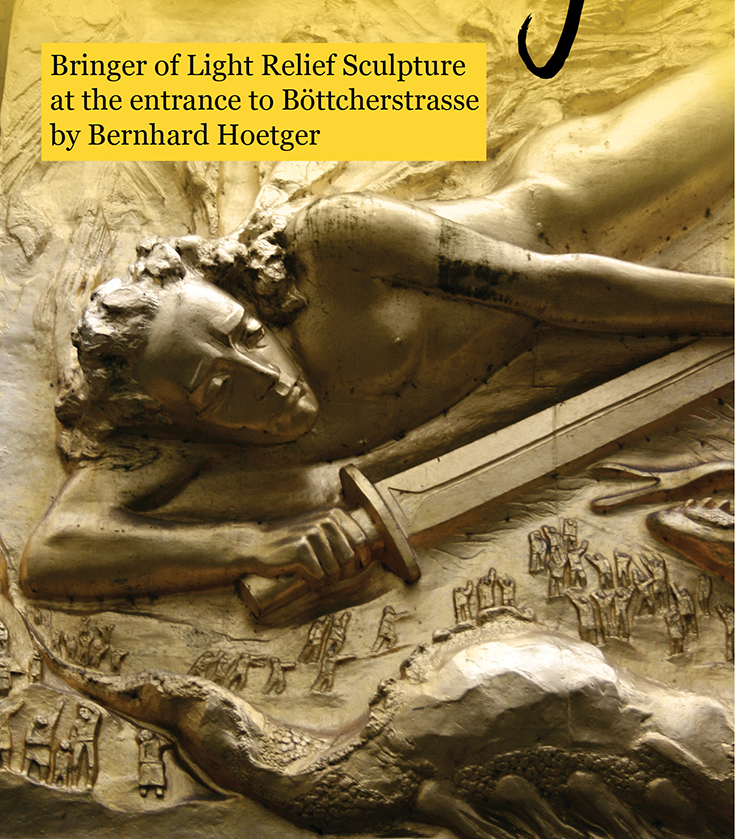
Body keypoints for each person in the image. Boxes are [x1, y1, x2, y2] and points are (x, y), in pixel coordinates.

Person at [21, 55, 732, 609]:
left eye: (243, 332)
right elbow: (54, 551)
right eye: (217, 388)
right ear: (174, 416)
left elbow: (556, 286)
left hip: (586, 205)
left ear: (243, 297)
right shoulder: (163, 434)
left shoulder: (334, 242)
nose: (262, 374)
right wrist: (255, 547)